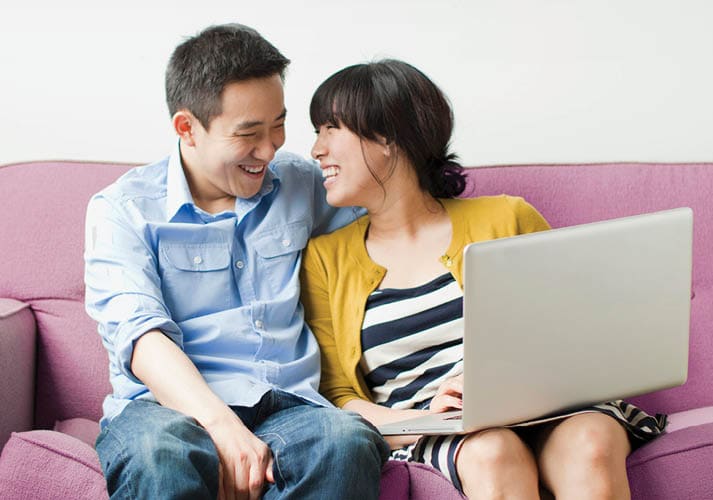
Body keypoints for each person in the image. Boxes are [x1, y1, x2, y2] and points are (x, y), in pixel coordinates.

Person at [300, 59, 666, 499]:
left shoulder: (507, 216)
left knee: (589, 440)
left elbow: (572, 333)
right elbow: (338, 393)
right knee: (492, 451)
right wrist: (433, 420)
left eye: (329, 129)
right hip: (436, 429)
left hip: (548, 408)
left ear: (387, 138)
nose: (316, 150)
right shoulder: (325, 258)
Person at [84, 24, 388, 500]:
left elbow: (392, 228)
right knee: (158, 455)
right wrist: (221, 426)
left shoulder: (303, 184)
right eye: (248, 133)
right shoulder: (122, 209)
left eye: (278, 125)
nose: (270, 149)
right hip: (164, 411)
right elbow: (140, 336)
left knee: (343, 440)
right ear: (187, 128)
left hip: (290, 405)